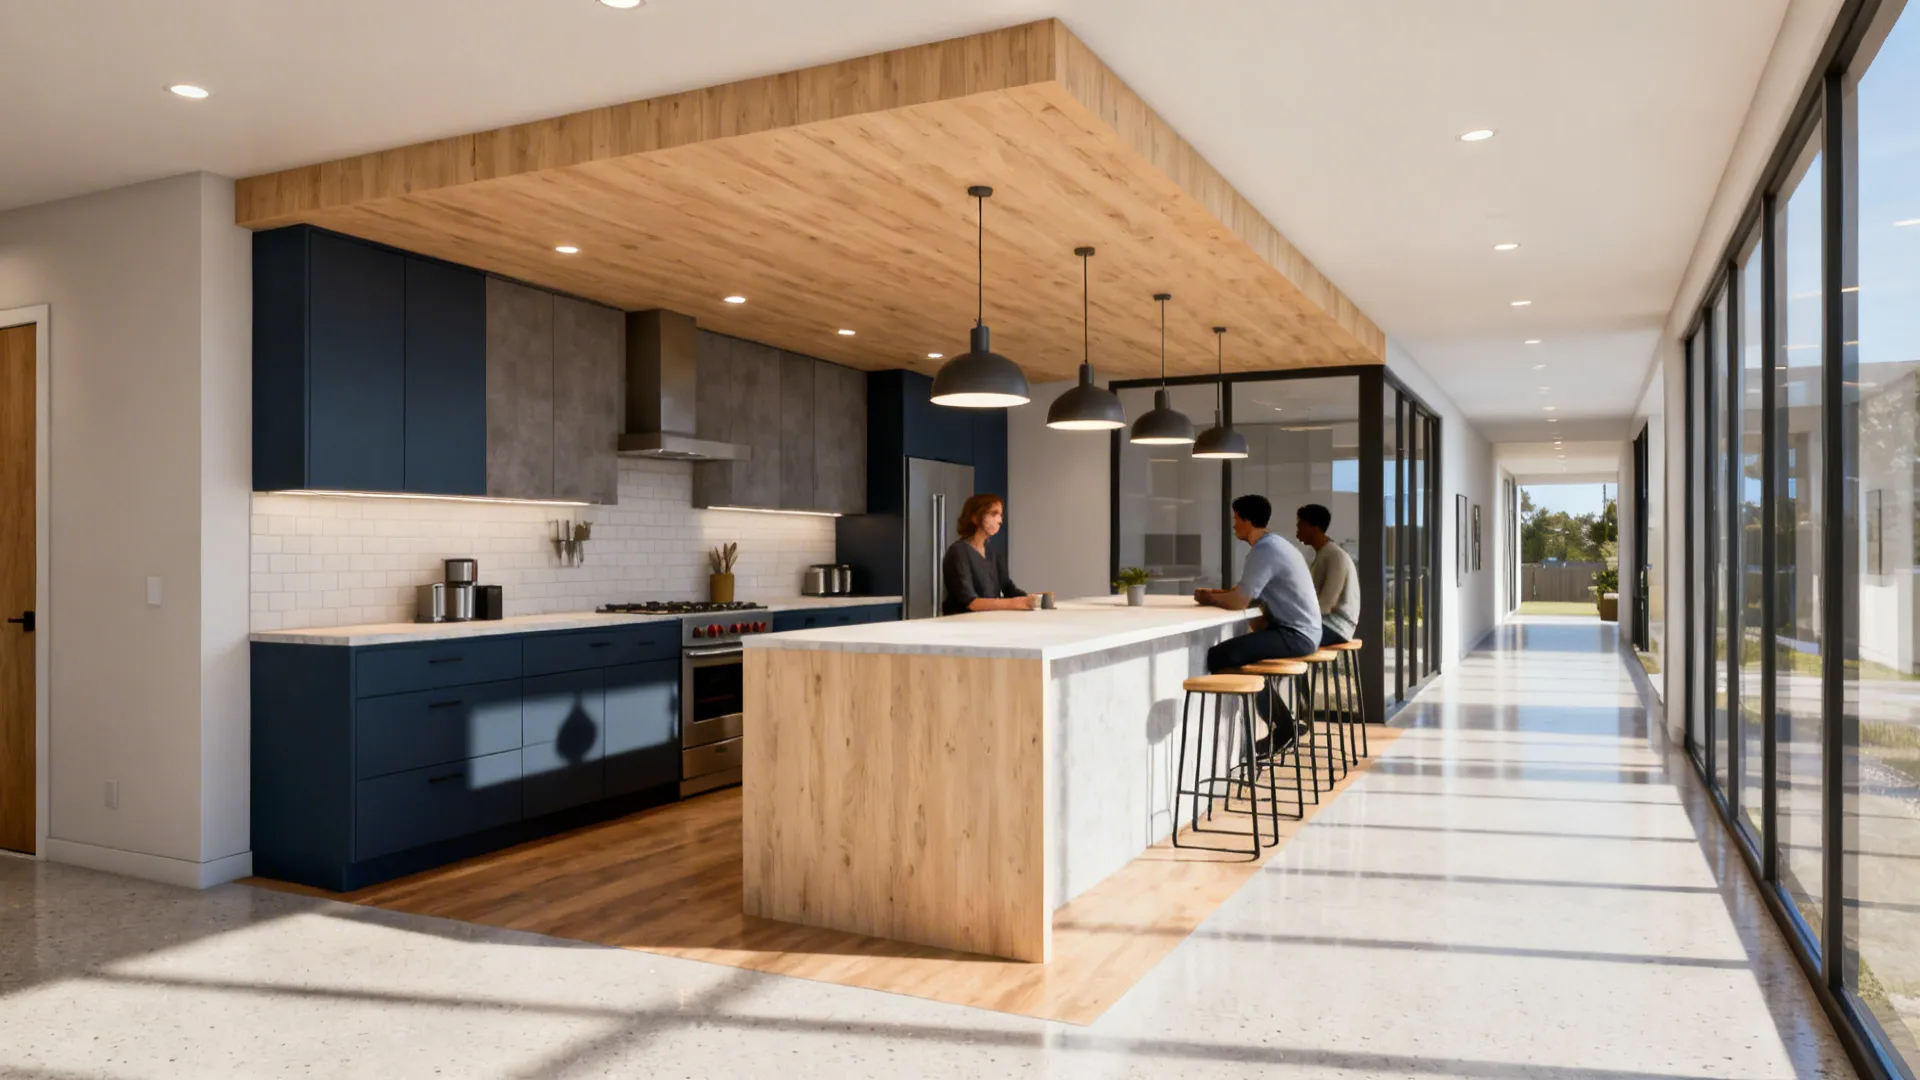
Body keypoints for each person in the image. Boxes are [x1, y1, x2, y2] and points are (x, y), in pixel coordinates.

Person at [1196, 494, 1322, 754]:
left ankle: (1284, 727)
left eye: (1236, 519)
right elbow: (1248, 593)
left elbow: (1240, 600)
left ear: (1247, 521)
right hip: (1302, 631)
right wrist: (1221, 595)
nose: (1233, 525)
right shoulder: (1276, 545)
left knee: (1219, 656)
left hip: (1296, 634)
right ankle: (1283, 725)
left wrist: (1210, 598)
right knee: (1245, 663)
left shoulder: (1264, 550)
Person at [942, 493, 1037, 615]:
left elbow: (1007, 588)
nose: (1000, 520)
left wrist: (1034, 600)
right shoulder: (958, 552)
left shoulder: (992, 552)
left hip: (988, 621)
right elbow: (971, 602)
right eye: (993, 514)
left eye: (1000, 515)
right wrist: (1017, 603)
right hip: (963, 624)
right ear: (975, 517)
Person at [1296, 503, 1360, 647]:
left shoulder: (1335, 556)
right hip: (1326, 624)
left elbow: (1326, 605)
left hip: (1337, 626)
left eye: (1301, 525)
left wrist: (1294, 615)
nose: (1297, 531)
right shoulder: (1323, 554)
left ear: (1315, 527)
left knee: (1284, 637)